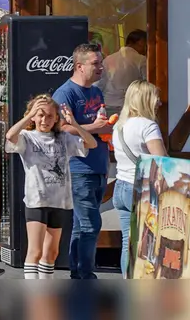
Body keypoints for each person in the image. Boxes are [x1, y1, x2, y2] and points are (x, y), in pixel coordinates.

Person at [5, 94, 96, 279]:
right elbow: (10, 136)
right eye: (40, 115)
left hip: (60, 200)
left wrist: (75, 124)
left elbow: (91, 143)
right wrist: (28, 116)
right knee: (35, 251)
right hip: (37, 199)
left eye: (49, 116)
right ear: (33, 117)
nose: (44, 120)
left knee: (51, 253)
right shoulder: (28, 137)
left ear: (56, 118)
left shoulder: (63, 137)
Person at [53, 41, 111, 279]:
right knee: (90, 224)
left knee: (81, 225)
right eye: (96, 64)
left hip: (98, 165)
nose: (101, 68)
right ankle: (87, 275)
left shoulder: (96, 92)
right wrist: (94, 127)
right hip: (79, 168)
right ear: (79, 66)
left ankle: (77, 272)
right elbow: (58, 127)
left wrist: (104, 127)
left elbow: (98, 124)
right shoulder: (65, 93)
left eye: (101, 63)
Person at [113, 79, 168, 277]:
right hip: (141, 189)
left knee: (127, 243)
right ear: (145, 100)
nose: (159, 103)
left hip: (120, 187)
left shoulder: (119, 125)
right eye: (156, 99)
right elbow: (162, 162)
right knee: (148, 246)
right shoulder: (148, 126)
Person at [103, 30, 149, 116]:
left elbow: (100, 83)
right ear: (135, 43)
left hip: (109, 104)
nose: (145, 48)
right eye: (144, 44)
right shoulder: (141, 59)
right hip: (131, 105)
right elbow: (147, 83)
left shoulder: (108, 59)